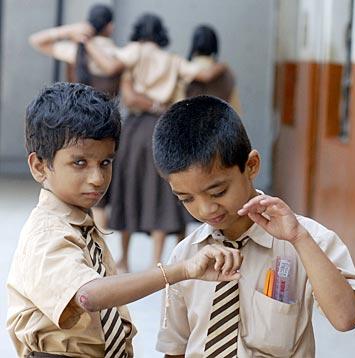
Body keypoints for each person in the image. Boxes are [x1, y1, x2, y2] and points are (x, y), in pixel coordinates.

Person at [6, 83, 244, 358]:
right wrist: (180, 271)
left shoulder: (82, 225)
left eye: (105, 162)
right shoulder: (46, 232)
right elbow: (88, 296)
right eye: (80, 163)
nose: (97, 178)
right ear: (39, 166)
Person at [152, 95, 355, 357]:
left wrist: (299, 239)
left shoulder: (306, 239)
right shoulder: (186, 256)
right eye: (186, 199)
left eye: (218, 191)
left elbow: (346, 318)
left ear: (251, 166)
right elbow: (176, 347)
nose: (205, 209)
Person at [88, 13, 227, 272]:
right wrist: (223, 66)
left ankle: (125, 257)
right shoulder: (173, 60)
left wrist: (86, 41)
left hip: (135, 129)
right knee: (160, 193)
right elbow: (205, 73)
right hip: (163, 126)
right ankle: (156, 260)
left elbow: (117, 78)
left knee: (128, 189)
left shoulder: (133, 52)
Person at [29, 4, 123, 230]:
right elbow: (112, 67)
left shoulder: (77, 49)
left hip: (73, 127)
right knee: (99, 189)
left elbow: (36, 40)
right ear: (110, 27)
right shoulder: (115, 51)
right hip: (101, 125)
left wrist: (70, 32)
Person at [185, 25, 243, 115]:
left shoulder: (185, 70)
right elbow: (235, 110)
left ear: (194, 44)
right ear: (215, 45)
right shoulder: (227, 73)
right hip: (219, 125)